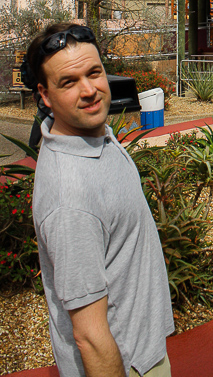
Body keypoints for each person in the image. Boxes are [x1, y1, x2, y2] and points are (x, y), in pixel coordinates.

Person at [24, 23, 174, 377]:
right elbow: (89, 335)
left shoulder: (95, 135)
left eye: (94, 73)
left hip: (142, 350)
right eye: (69, 82)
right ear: (44, 96)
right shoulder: (69, 196)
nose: (90, 90)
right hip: (125, 365)